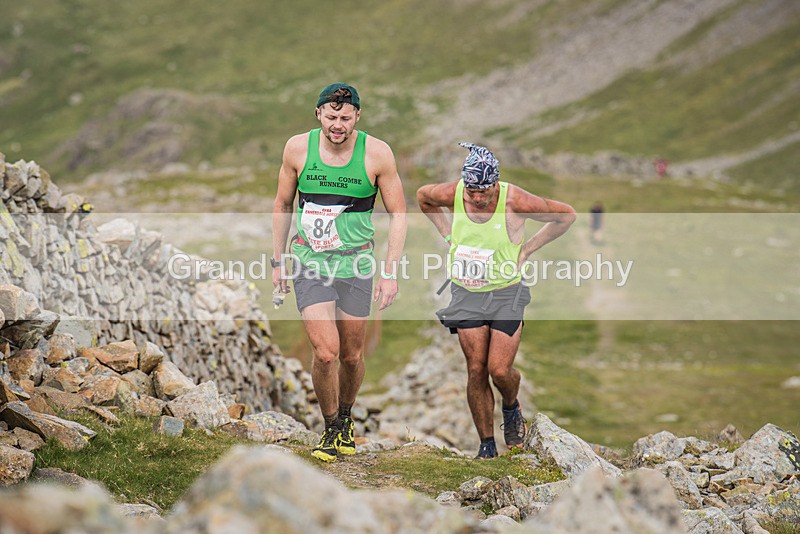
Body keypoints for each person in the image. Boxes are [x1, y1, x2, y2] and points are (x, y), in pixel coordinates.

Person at [272, 82, 407, 462]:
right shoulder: (297, 149)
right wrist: (277, 259)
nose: (337, 125)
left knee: (351, 355)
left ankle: (347, 416)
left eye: (345, 118)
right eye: (331, 117)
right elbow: (282, 204)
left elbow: (399, 214)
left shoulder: (377, 154)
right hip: (310, 262)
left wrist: (390, 272)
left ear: (357, 117)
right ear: (318, 114)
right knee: (326, 352)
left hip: (357, 263)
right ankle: (330, 427)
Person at [416, 143, 575, 459]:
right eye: (471, 191)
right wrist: (448, 235)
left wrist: (527, 249)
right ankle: (487, 446)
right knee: (476, 369)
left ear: (495, 184)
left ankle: (511, 406)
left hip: (506, 292)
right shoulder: (455, 192)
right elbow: (423, 196)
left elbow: (566, 215)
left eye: (483, 191)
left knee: (499, 370)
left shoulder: (514, 199)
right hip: (466, 291)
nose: (476, 198)